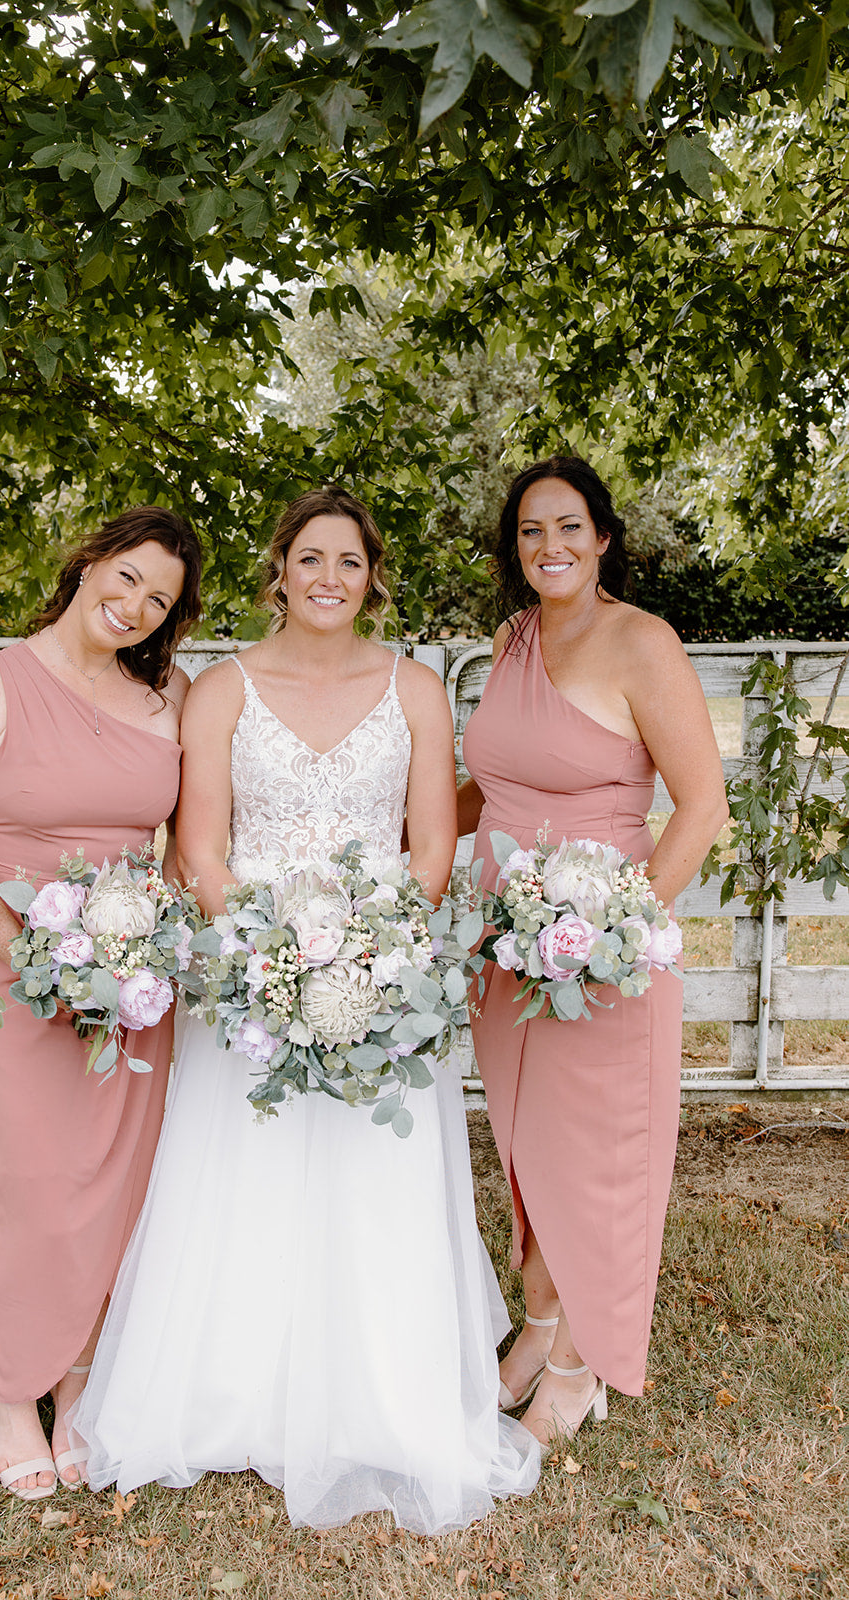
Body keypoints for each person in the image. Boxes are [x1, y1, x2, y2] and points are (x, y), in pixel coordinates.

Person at [72, 486, 541, 1529]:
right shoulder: (221, 691)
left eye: (348, 560)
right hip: (250, 979)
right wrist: (265, 962)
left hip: (379, 976)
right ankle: (227, 1389)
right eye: (308, 557)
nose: (328, 576)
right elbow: (198, 851)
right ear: (277, 571)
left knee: (370, 1181)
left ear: (373, 578)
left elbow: (428, 849)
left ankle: (380, 1394)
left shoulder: (414, 688)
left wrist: (367, 959)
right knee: (245, 1172)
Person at [0, 506, 202, 1500]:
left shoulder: (169, 696)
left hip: (133, 982)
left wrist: (139, 941)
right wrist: (30, 952)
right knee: (32, 1183)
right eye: (123, 577)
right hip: (16, 974)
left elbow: (186, 842)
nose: (131, 605)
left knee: (119, 1179)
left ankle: (79, 1387)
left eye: (156, 598)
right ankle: (12, 1392)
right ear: (88, 560)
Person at [457, 457, 728, 1453]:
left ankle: (578, 1368)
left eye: (567, 527)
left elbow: (700, 808)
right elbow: (489, 785)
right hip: (505, 943)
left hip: (600, 947)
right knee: (527, 1148)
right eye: (529, 532)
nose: (549, 547)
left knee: (595, 1159)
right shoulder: (512, 638)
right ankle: (535, 1331)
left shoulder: (639, 642)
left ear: (602, 536)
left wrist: (615, 932)